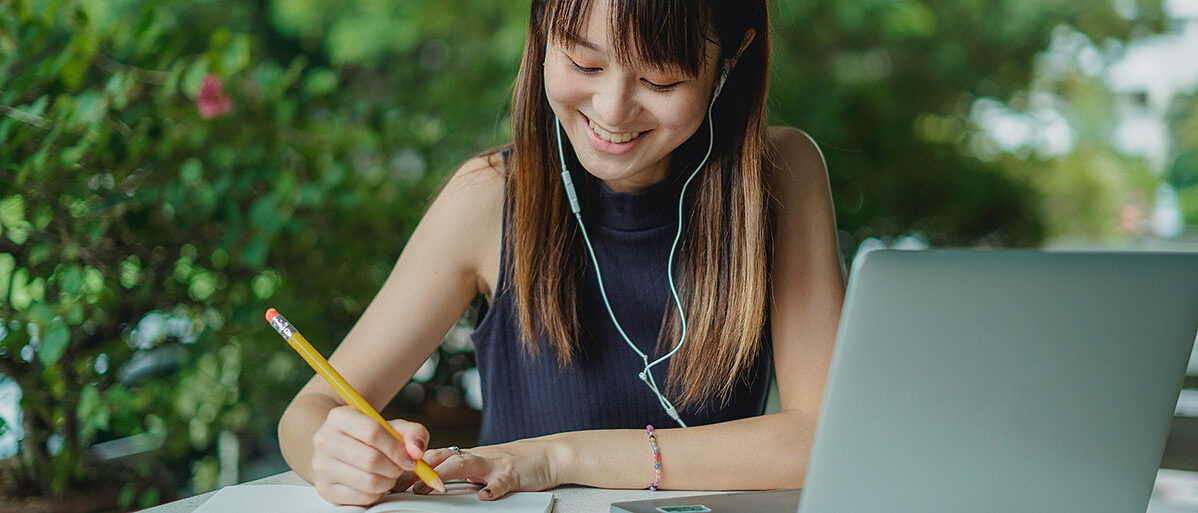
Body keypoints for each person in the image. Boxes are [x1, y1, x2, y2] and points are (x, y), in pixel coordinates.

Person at [277, 0, 845, 506]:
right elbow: (309, 412)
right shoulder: (489, 197)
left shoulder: (780, 178)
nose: (613, 109)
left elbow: (822, 436)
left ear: (732, 56)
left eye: (661, 80)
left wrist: (558, 458)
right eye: (584, 63)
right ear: (543, 29)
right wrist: (336, 453)